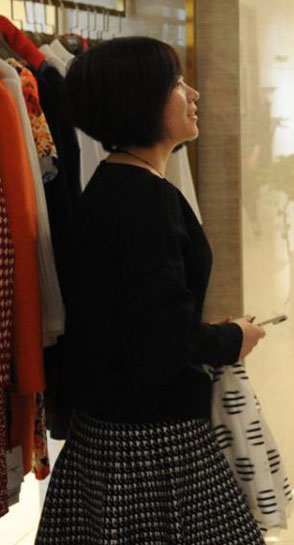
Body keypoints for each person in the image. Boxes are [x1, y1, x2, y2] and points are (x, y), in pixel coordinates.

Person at [37, 37, 267, 544]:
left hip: (107, 434)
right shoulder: (146, 202)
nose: (194, 93)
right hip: (155, 443)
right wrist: (233, 339)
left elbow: (134, 319)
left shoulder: (111, 186)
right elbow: (160, 342)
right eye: (178, 83)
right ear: (142, 100)